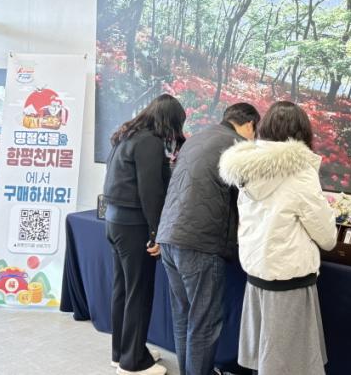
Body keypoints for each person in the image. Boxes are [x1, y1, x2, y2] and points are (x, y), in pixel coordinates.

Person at [219, 101, 337, 375]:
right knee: (289, 365)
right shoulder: (299, 172)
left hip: (256, 277)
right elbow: (328, 237)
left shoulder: (246, 170)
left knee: (266, 361)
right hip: (289, 280)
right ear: (302, 133)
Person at [157, 103, 260, 375]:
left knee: (184, 316)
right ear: (250, 125)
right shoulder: (238, 146)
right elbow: (250, 198)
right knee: (204, 322)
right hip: (200, 242)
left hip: (169, 235)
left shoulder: (197, 138)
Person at [103, 94, 186, 375]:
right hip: (135, 225)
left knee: (122, 290)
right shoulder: (149, 142)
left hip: (114, 221)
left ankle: (123, 352)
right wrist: (156, 233)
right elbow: (151, 192)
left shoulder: (126, 135)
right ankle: (133, 364)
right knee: (139, 292)